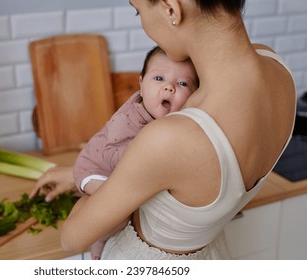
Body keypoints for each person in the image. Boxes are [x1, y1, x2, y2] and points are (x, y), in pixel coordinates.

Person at [31, 0, 296, 260]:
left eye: (138, 12)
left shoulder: (170, 138)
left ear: (171, 8)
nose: (144, 24)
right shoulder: (279, 73)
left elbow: (72, 238)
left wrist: (90, 185)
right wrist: (85, 174)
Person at [73, 46, 198, 259]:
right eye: (158, 78)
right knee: (122, 212)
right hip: (94, 169)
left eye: (182, 83)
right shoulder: (129, 120)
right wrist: (142, 154)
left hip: (120, 171)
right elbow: (109, 154)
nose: (169, 88)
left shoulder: (176, 122)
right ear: (141, 84)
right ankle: (99, 240)